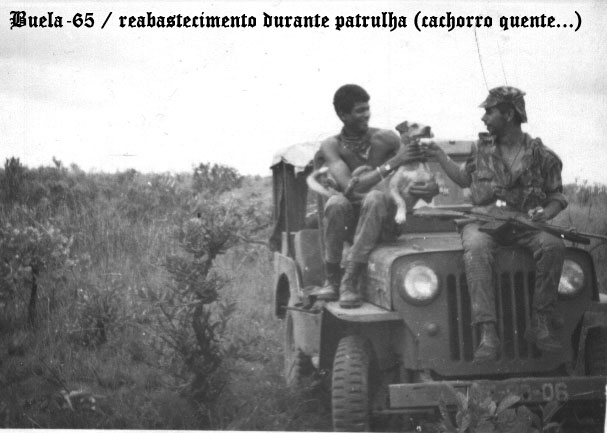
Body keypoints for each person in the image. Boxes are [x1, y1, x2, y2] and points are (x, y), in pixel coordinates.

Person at [424, 86, 567, 362]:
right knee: (476, 248)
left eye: (489, 112)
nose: (484, 118)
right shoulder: (481, 150)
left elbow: (557, 197)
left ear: (509, 114)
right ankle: (487, 333)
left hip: (524, 222)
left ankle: (540, 324)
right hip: (483, 220)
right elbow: (464, 179)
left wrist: (545, 214)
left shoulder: (543, 156)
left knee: (553, 246)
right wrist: (439, 154)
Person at [312, 84, 438, 308]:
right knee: (336, 202)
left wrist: (431, 188)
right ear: (343, 115)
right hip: (351, 227)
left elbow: (418, 169)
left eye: (367, 108)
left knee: (376, 198)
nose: (366, 115)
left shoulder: (386, 138)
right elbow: (351, 188)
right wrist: (393, 162)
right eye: (359, 110)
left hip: (385, 223)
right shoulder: (332, 146)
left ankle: (349, 281)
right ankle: (332, 280)